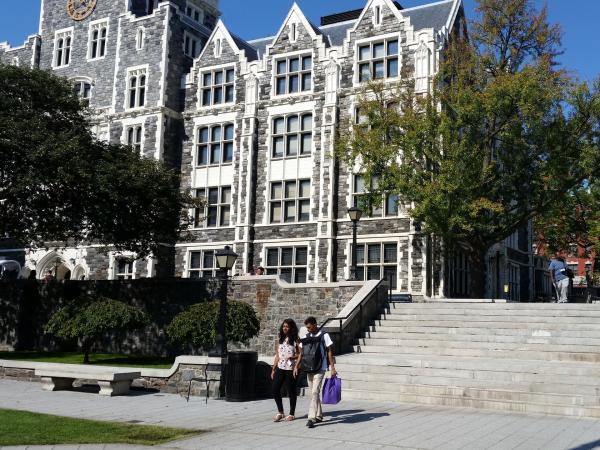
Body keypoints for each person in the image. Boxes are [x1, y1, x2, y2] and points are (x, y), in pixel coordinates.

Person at [295, 316, 337, 429]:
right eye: (306, 328)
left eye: (309, 327)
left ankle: (311, 418)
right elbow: (300, 351)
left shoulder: (324, 335)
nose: (308, 329)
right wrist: (297, 365)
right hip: (309, 367)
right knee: (314, 393)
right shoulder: (306, 336)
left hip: (321, 367)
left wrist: (332, 367)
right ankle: (319, 415)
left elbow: (329, 351)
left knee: (314, 392)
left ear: (315, 324)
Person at [271, 318, 300, 422]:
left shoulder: (296, 339)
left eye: (287, 326)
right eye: (283, 326)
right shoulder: (280, 339)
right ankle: (280, 412)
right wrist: (273, 369)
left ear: (291, 328)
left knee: (291, 391)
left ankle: (292, 413)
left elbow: (300, 354)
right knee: (275, 388)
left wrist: (293, 359)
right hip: (280, 367)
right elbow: (277, 355)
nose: (284, 328)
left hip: (291, 368)